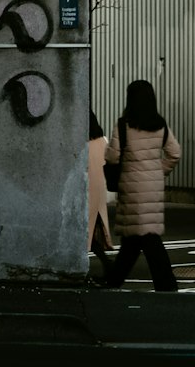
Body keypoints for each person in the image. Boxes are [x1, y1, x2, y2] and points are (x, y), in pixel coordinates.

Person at [104, 79, 182, 291]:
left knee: (142, 237)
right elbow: (174, 153)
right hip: (153, 189)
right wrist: (158, 171)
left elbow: (112, 158)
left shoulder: (123, 125)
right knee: (139, 236)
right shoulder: (160, 124)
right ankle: (116, 280)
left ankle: (165, 284)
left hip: (130, 187)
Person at [87, 112, 114, 279]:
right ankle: (106, 263)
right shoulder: (103, 141)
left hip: (86, 193)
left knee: (84, 232)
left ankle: (81, 269)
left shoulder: (82, 144)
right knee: (91, 231)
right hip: (100, 192)